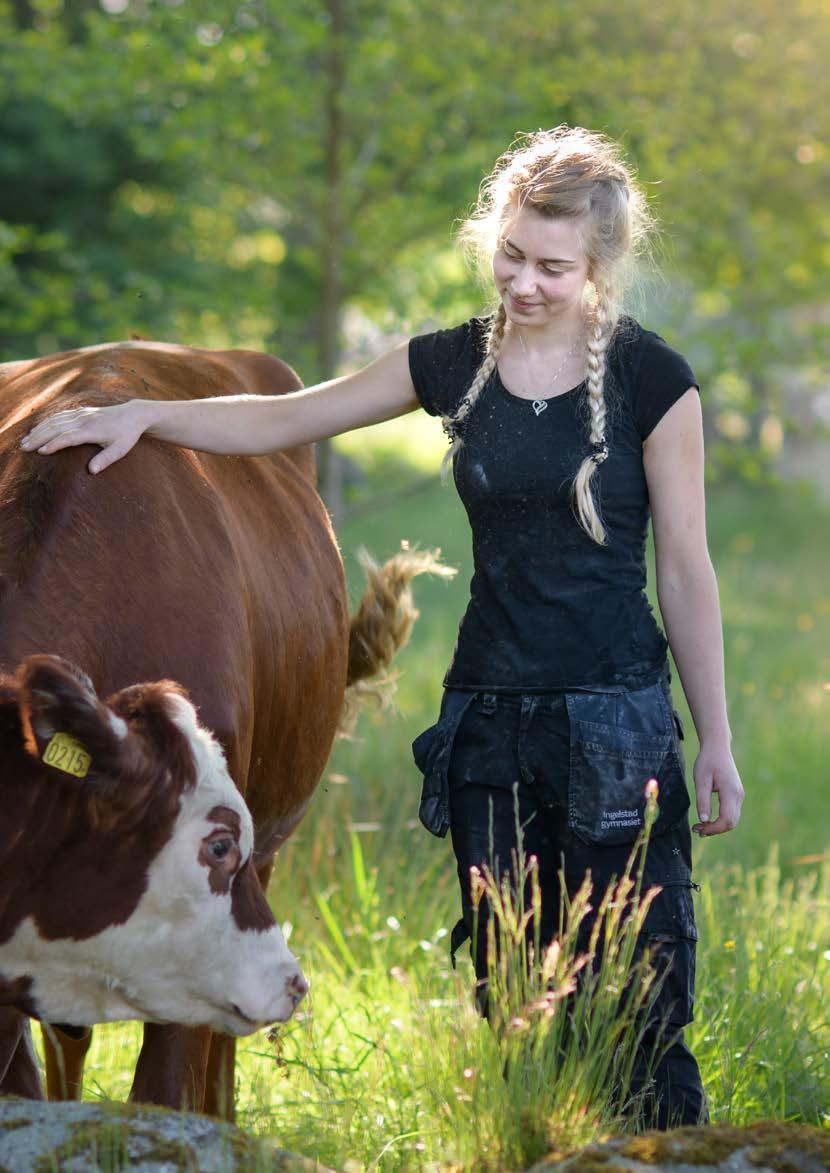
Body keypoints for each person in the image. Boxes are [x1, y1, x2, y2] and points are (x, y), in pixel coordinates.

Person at [21, 125, 743, 1129]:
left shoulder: (653, 384)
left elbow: (684, 569)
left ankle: (658, 1152)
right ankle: (536, 1144)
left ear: (598, 267)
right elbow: (283, 420)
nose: (524, 283)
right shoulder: (450, 362)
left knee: (639, 990)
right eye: (511, 256)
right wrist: (142, 416)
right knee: (513, 996)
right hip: (487, 724)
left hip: (618, 726)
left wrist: (713, 739)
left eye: (552, 268)